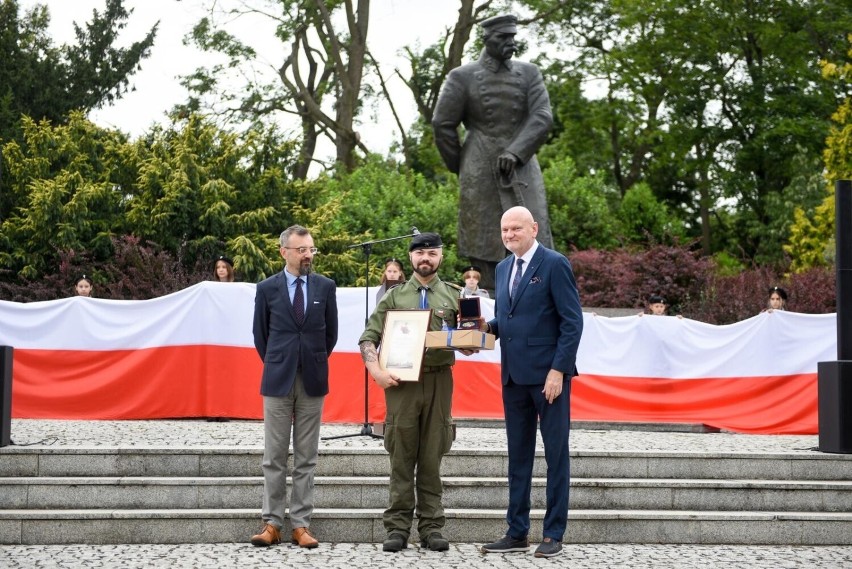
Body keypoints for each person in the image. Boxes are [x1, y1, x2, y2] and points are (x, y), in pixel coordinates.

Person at [480, 206, 583, 559]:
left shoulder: (554, 264)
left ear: (533, 228)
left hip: (548, 379)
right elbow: (508, 318)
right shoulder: (503, 267)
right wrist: (484, 330)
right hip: (512, 377)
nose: (509, 235)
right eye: (505, 230)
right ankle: (517, 532)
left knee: (556, 457)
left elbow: (572, 322)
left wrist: (559, 370)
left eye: (516, 229)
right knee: (518, 458)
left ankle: (553, 534)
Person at [358, 232, 471, 553]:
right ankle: (397, 528)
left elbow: (469, 336)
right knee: (401, 455)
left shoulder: (453, 295)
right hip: (400, 384)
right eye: (420, 254)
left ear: (441, 257)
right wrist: (376, 372)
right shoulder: (394, 297)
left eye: (432, 253)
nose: (426, 259)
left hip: (438, 380)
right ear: (410, 258)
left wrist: (470, 344)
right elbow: (369, 337)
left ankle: (432, 527)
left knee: (433, 455)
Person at [432, 14, 554, 292]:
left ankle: (536, 295)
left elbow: (542, 117)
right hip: (479, 166)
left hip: (522, 167)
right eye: (503, 37)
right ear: (486, 39)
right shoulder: (461, 76)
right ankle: (487, 298)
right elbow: (442, 124)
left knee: (534, 231)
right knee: (482, 239)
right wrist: (463, 166)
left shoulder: (530, 73)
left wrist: (516, 151)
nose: (511, 42)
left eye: (513, 37)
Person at [250, 225, 339, 549]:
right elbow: (261, 335)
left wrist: (309, 360)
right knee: (274, 456)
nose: (307, 255)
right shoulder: (267, 288)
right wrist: (279, 361)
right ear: (283, 251)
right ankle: (272, 523)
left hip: (313, 379)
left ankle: (300, 524)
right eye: (301, 249)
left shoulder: (325, 286)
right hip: (277, 380)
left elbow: (331, 335)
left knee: (306, 457)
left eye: (311, 249)